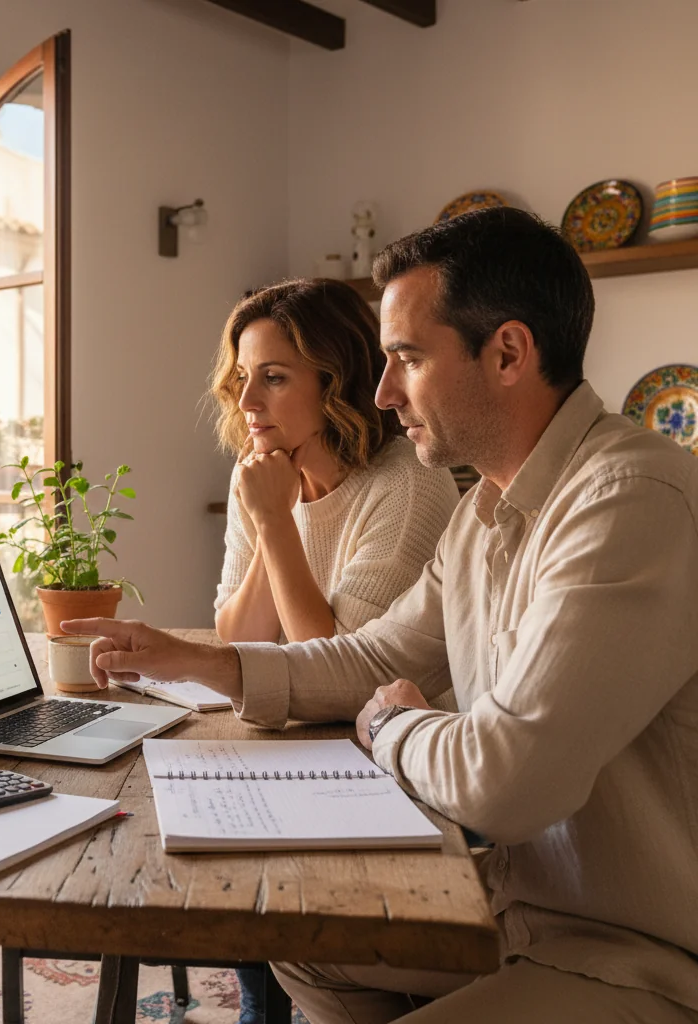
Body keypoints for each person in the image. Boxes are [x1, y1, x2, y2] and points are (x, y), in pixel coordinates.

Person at [65, 207, 698, 1023]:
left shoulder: (626, 499)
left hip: (634, 953)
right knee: (303, 946)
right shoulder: (486, 511)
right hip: (519, 910)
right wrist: (201, 663)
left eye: (405, 358)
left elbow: (503, 781)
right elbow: (372, 656)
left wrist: (391, 729)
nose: (382, 389)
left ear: (507, 352)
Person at [209, 281, 458, 1022]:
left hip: (395, 757)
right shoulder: (262, 476)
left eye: (275, 377)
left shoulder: (407, 486)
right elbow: (240, 637)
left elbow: (338, 669)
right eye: (243, 376)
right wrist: (271, 513)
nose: (247, 399)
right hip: (306, 741)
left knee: (258, 872)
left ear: (338, 380)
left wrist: (277, 526)